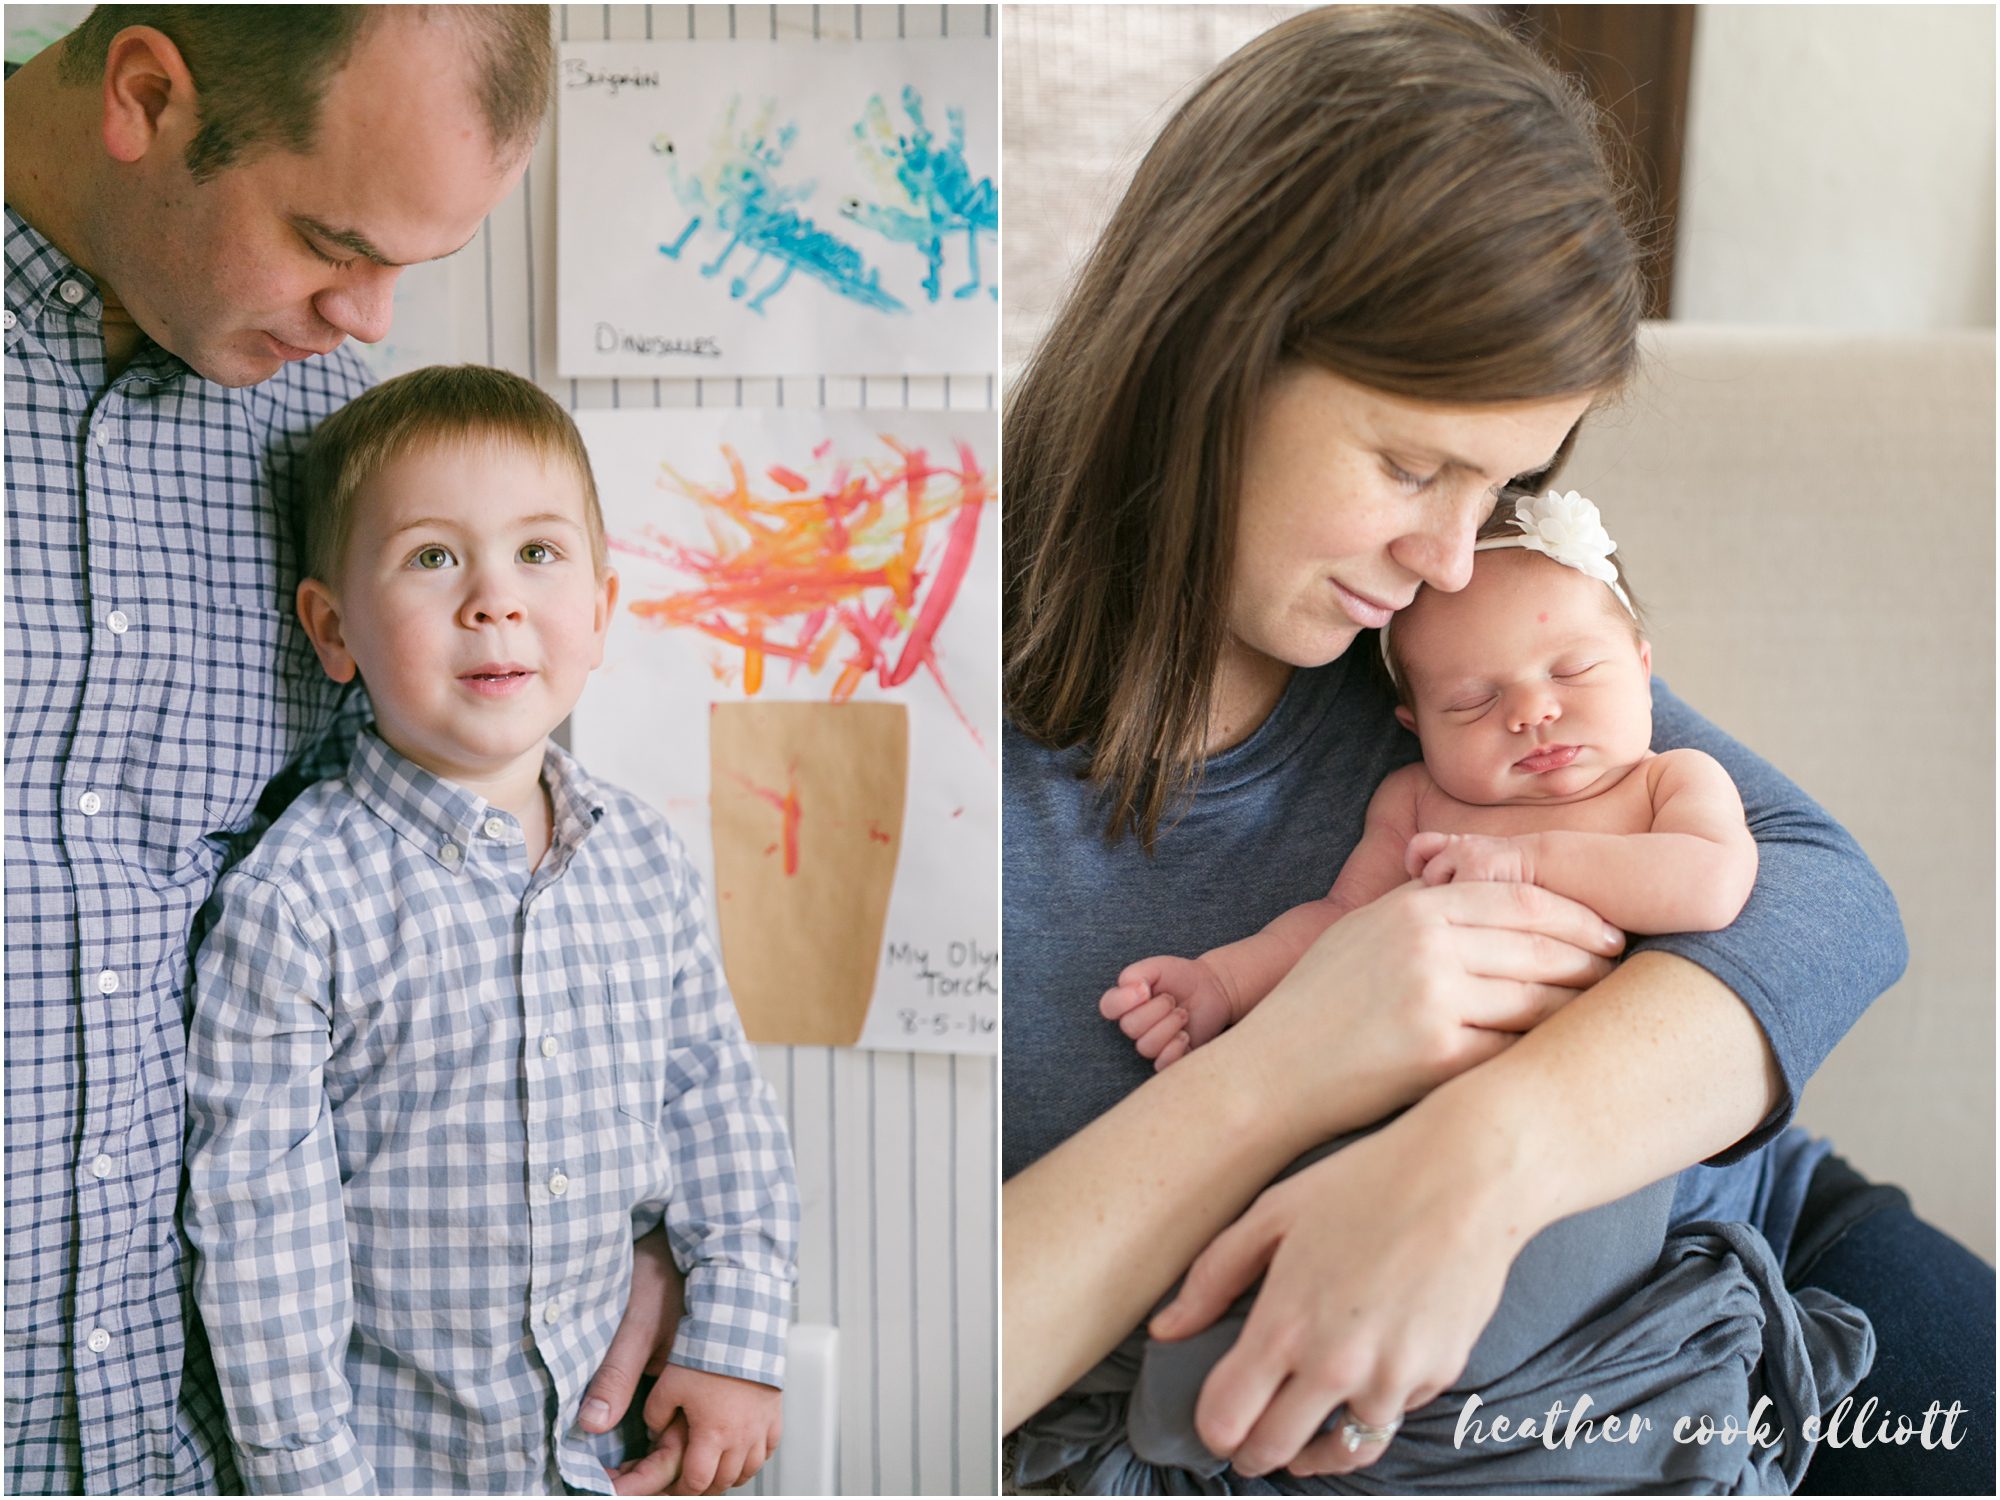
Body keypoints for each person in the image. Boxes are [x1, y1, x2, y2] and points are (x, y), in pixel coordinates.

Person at [1001, 6, 1992, 1494]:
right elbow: (880, 1353)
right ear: (1212, 343)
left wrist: (1475, 1163)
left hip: (1744, 1255)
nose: (1449, 561)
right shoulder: (900, 715)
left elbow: (1825, 896)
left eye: (1504, 484)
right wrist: (1286, 1066)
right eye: (1411, 464)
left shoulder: (1430, 652)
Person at [2, 10, 688, 1493]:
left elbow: (427, 886)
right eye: (333, 240)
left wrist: (600, 1237)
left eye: (408, 268)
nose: (369, 319)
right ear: (144, 95)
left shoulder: (330, 428)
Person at [183, 365, 798, 1496]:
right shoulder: (296, 897)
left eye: (537, 554)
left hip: (616, 1455)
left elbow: (715, 1103)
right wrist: (312, 1479)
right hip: (399, 1465)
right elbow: (264, 1229)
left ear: (602, 611)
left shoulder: (643, 860)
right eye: (431, 558)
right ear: (333, 630)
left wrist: (737, 1341)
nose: (493, 600)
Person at [1102, 493, 1758, 1071]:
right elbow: (1340, 922)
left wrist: (1525, 863)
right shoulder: (1417, 801)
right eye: (1472, 701)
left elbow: (1711, 884)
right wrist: (1223, 981)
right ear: (1416, 727)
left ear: (1643, 670)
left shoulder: (1668, 782)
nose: (1531, 712)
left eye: (1574, 670)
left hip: (1609, 1093)